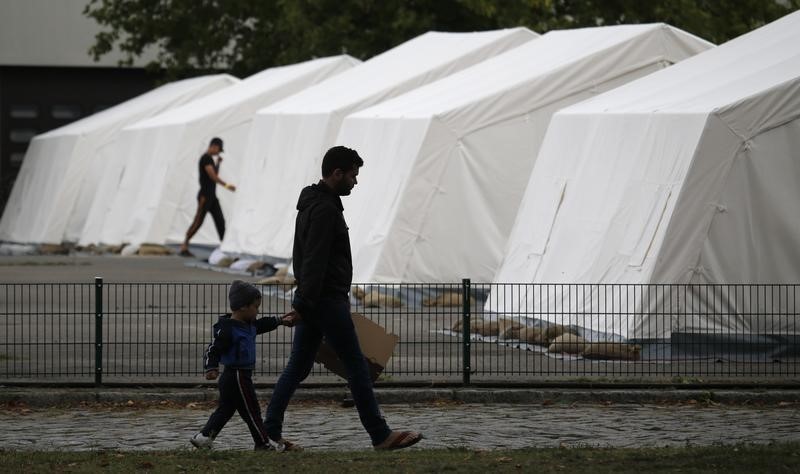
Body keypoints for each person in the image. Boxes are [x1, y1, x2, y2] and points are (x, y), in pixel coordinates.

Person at [263, 146, 423, 452]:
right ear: (337, 173)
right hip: (326, 301)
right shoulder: (324, 209)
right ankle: (380, 435)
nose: (355, 181)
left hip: (315, 300)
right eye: (353, 174)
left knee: (297, 368)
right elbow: (314, 261)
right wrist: (304, 304)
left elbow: (307, 259)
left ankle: (269, 432)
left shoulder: (313, 204)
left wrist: (303, 304)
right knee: (357, 366)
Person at [190, 280, 294, 450]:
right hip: (237, 376)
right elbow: (213, 349)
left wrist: (280, 320)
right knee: (252, 411)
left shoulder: (249, 325)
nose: (258, 311)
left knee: (226, 410)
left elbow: (262, 324)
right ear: (243, 307)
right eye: (256, 307)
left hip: (238, 376)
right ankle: (263, 443)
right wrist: (211, 367)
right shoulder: (228, 329)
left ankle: (204, 437)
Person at [179, 137, 236, 257]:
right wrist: (226, 185)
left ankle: (225, 247)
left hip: (212, 197)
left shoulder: (210, 160)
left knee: (220, 221)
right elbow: (212, 176)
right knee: (198, 221)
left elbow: (214, 173)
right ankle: (184, 245)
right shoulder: (205, 158)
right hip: (204, 196)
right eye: (218, 150)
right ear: (214, 146)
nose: (218, 153)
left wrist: (218, 164)